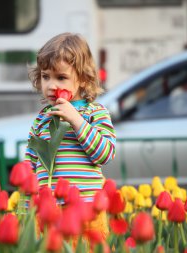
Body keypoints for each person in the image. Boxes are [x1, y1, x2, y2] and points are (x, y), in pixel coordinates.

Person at [25, 33, 116, 239]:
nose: (51, 85)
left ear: (83, 79)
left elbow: (105, 154)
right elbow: (30, 165)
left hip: (87, 210)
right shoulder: (42, 119)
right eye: (46, 76)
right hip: (49, 212)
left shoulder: (95, 113)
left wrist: (76, 120)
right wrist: (25, 208)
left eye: (61, 77)